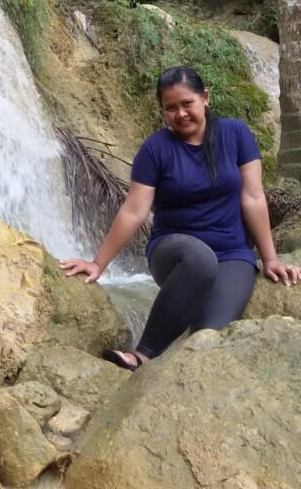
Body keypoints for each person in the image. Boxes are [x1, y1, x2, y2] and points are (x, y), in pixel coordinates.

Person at [59, 66, 301, 372]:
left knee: (206, 337)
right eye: (170, 108)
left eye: (187, 104)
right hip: (173, 251)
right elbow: (134, 210)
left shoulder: (235, 134)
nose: (181, 114)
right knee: (199, 259)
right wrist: (98, 264)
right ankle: (142, 354)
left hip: (232, 255)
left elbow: (252, 197)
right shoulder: (156, 149)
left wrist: (270, 259)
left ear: (205, 98)